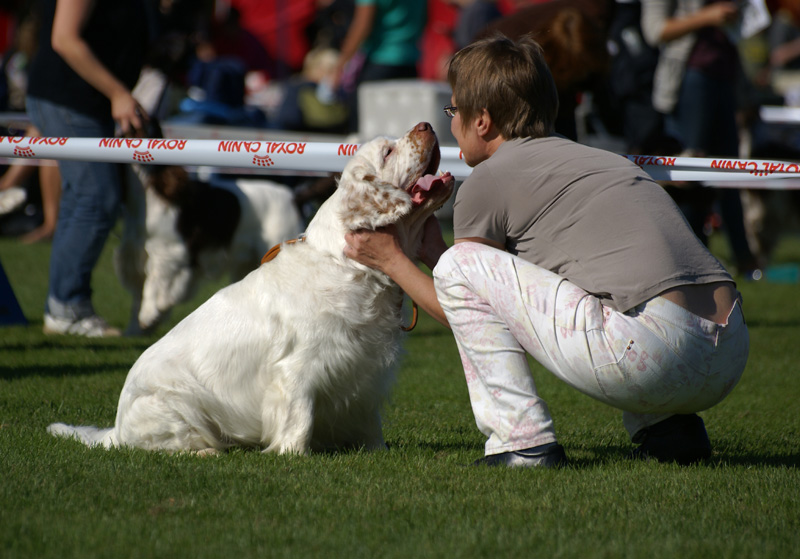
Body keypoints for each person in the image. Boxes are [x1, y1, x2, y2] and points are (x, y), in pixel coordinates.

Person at [344, 34, 749, 468]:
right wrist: (432, 252)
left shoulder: (487, 179)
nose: (453, 124)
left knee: (461, 264)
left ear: (483, 121)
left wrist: (392, 259)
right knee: (611, 281)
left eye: (454, 111)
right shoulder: (605, 159)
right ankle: (672, 432)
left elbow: (464, 310)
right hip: (730, 350)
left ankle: (522, 442)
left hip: (655, 357)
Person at [25, 0, 150, 337]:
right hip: (70, 99)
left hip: (86, 103)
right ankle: (66, 306)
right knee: (95, 198)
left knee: (86, 198)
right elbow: (64, 39)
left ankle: (64, 304)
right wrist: (118, 92)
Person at [640, 0, 760, 276]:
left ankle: (743, 259)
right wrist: (707, 16)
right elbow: (655, 30)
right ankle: (688, 260)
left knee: (731, 177)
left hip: (725, 79)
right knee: (689, 180)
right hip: (689, 81)